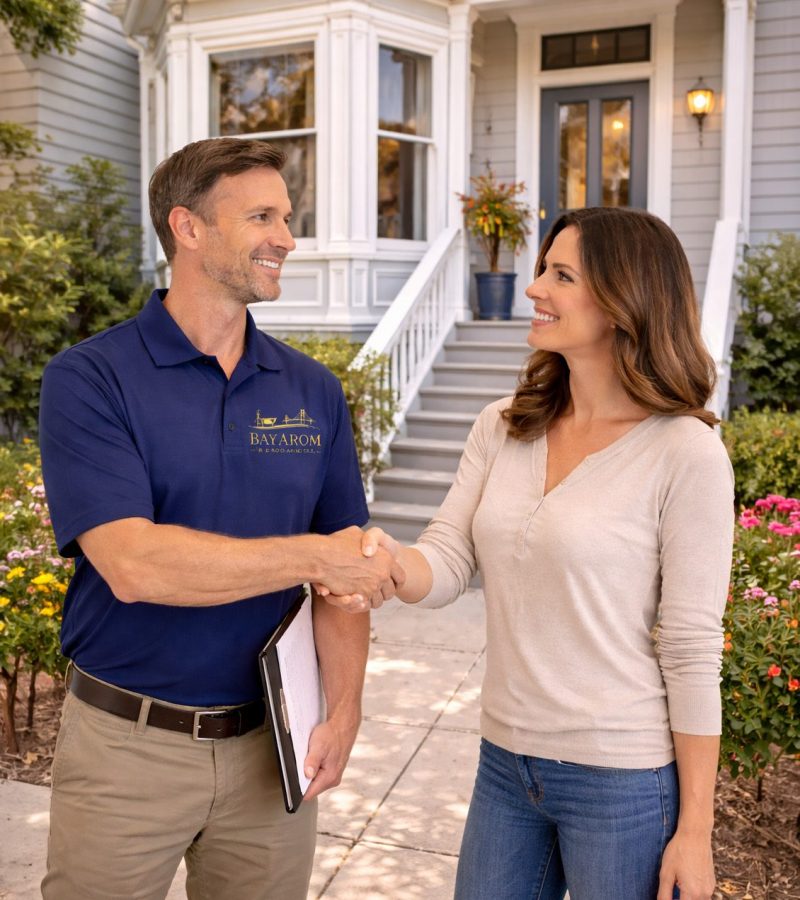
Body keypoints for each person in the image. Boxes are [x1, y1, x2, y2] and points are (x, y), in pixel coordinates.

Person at [321, 207, 735, 899]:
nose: (533, 287)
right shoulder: (505, 424)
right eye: (543, 269)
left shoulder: (685, 453)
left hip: (623, 780)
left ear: (624, 301)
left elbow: (692, 647)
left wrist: (696, 829)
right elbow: (449, 556)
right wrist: (387, 564)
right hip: (506, 765)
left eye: (561, 275)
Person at [38, 137, 403, 900]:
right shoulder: (92, 379)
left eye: (288, 217)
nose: (287, 239)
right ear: (189, 228)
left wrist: (343, 712)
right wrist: (313, 556)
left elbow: (344, 578)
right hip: (127, 748)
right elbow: (134, 566)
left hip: (271, 748)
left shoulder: (312, 390)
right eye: (262, 217)